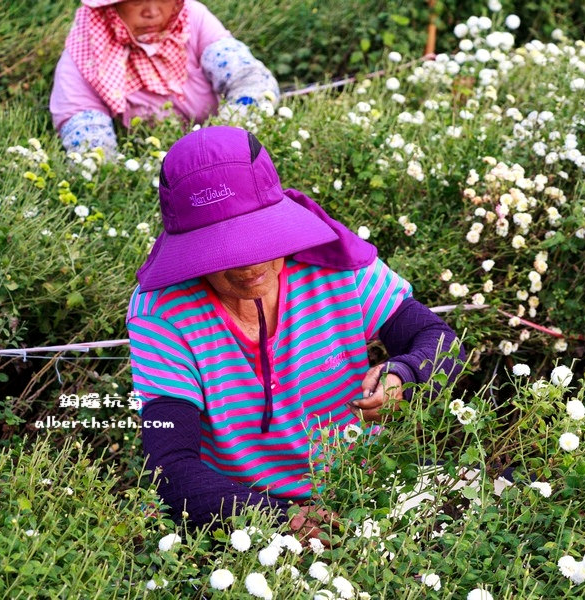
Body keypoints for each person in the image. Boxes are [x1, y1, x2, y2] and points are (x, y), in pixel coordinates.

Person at [126, 126, 465, 536]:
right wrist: (278, 519)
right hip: (240, 512)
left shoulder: (336, 266)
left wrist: (404, 375)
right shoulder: (162, 314)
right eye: (221, 251)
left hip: (367, 490)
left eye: (258, 236)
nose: (249, 266)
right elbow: (171, 465)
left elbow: (439, 339)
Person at [50, 0, 279, 156]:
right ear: (112, 6)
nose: (152, 11)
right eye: (136, 1)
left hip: (224, 144)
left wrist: (230, 134)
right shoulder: (86, 49)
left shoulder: (192, 18)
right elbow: (86, 135)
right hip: (153, 157)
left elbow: (249, 78)